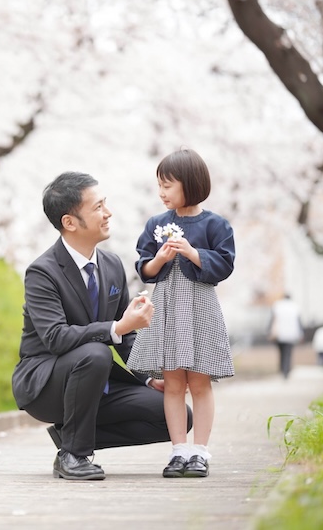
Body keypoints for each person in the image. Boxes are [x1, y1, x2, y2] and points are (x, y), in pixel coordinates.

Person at [12, 171, 192, 481]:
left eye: (105, 204)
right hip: (48, 385)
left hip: (99, 382)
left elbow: (126, 337)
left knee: (177, 415)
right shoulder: (42, 272)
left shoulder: (111, 265)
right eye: (97, 207)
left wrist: (151, 378)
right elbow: (56, 338)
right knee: (96, 352)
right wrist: (117, 327)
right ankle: (76, 455)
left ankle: (70, 440)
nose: (107, 213)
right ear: (70, 222)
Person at [127, 148, 235, 480]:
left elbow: (225, 264)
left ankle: (200, 451)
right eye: (159, 185)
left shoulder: (216, 224)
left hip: (199, 308)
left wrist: (192, 252)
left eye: (168, 185)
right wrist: (159, 259)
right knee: (173, 382)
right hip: (169, 306)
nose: (161, 192)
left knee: (200, 382)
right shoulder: (156, 224)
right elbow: (144, 267)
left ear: (190, 184)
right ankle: (178, 450)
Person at [269, 294, 303, 378]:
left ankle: (282, 369)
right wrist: (301, 333)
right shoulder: (295, 307)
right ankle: (286, 370)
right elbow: (299, 322)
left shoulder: (277, 305)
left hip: (279, 334)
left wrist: (269, 331)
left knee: (281, 353)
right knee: (288, 353)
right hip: (291, 334)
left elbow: (272, 320)